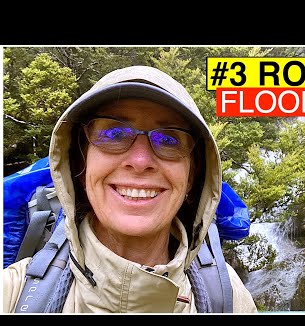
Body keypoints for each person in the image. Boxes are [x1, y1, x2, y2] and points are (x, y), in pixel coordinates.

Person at [3, 65, 258, 313]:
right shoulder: (12, 294)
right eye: (114, 134)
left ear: (192, 176)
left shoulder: (229, 301)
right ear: (81, 165)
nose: (140, 161)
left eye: (169, 139)